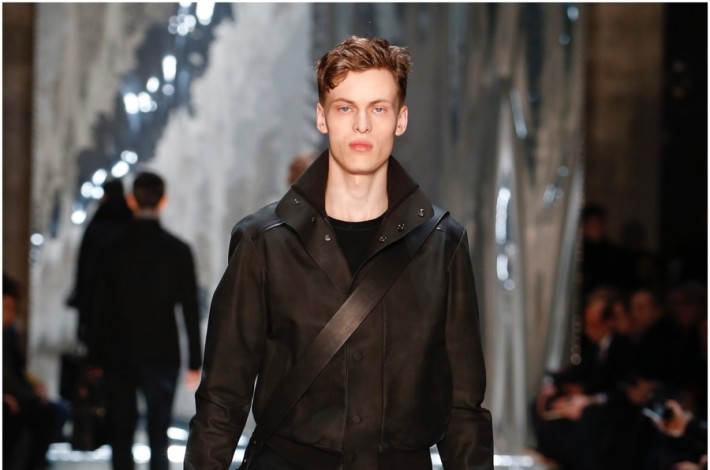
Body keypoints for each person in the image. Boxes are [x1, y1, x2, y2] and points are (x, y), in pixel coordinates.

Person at [184, 36, 493, 469]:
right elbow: (222, 399)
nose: (361, 125)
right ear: (322, 117)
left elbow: (463, 409)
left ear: (401, 119)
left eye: (378, 109)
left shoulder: (442, 245)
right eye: (345, 108)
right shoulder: (264, 243)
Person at [90, 171, 202, 470]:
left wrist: (94, 356)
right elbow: (190, 308)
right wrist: (195, 360)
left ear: (131, 201)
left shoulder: (111, 249)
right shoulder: (178, 251)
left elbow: (99, 306)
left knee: (120, 433)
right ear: (163, 201)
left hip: (118, 352)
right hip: (162, 352)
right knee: (158, 434)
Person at [3, 274, 67, 470]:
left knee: (54, 411)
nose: (8, 314)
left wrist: (35, 386)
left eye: (11, 308)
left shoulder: (9, 333)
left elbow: (18, 369)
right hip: (8, 397)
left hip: (16, 393)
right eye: (4, 307)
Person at [67, 178, 133, 344]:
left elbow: (84, 267)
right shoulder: (131, 224)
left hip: (96, 302)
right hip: (125, 303)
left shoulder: (96, 225)